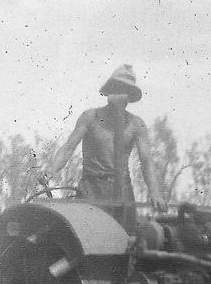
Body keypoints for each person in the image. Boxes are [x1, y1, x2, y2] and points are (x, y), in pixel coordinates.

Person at [42, 64, 165, 229]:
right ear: (110, 90)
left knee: (126, 239)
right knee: (85, 234)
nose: (122, 94)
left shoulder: (136, 124)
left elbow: (147, 161)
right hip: (91, 188)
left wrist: (154, 192)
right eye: (118, 87)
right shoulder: (90, 117)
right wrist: (50, 171)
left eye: (126, 90)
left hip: (122, 190)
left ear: (130, 95)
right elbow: (68, 148)